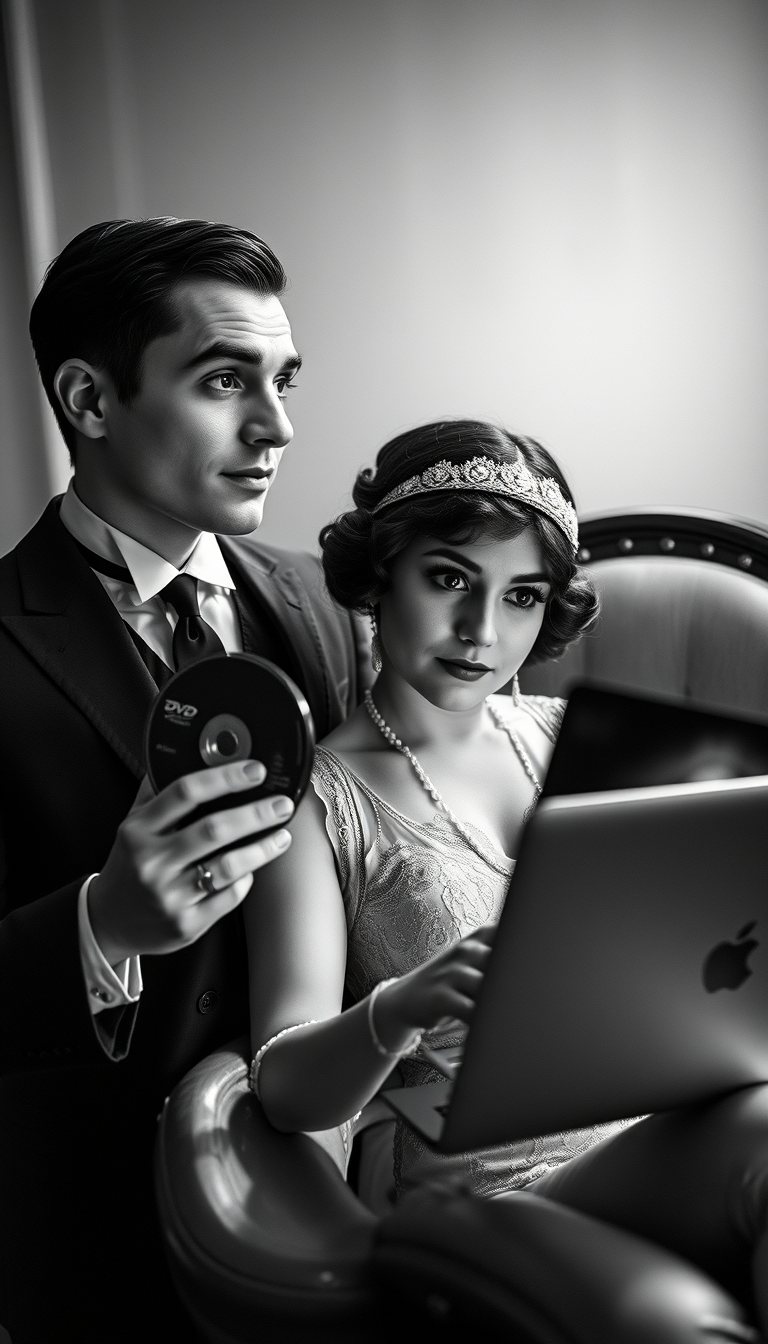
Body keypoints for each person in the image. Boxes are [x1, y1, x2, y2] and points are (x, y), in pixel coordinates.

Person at [244, 420, 768, 1338]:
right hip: (484, 1180)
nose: (483, 632)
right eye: (449, 577)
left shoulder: (578, 734)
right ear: (378, 575)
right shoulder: (318, 803)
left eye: (522, 595)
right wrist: (398, 1006)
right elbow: (282, 1084)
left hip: (655, 1129)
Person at [0, 217, 366, 1343]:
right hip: (94, 1252)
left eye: (284, 380)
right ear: (90, 400)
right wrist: (99, 927)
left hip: (335, 1207)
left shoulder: (323, 603)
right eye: (224, 380)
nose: (279, 426)